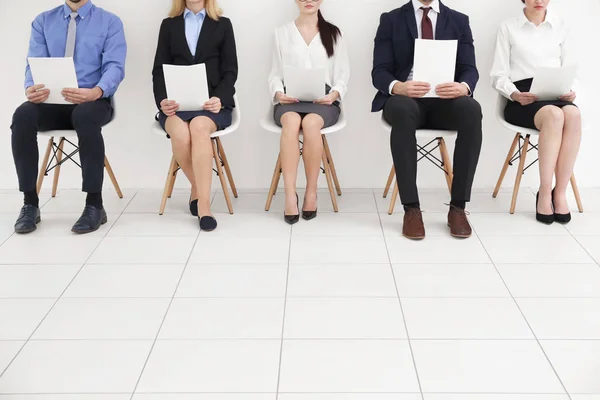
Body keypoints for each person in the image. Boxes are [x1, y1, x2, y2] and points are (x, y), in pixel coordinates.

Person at [11, 0, 126, 234]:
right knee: (22, 115)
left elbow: (115, 66)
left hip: (93, 101)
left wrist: (96, 91)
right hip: (52, 101)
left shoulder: (109, 22)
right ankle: (30, 204)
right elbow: (33, 63)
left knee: (84, 116)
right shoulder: (43, 21)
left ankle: (95, 204)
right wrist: (31, 88)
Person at [371, 0, 482, 240]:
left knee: (472, 109)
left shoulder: (459, 20)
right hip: (406, 100)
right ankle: (411, 209)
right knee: (401, 109)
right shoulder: (390, 19)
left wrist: (463, 87)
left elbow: (469, 68)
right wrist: (398, 86)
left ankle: (458, 208)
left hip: (445, 101)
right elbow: (379, 71)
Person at [491, 0, 581, 224]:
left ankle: (559, 193)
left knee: (573, 115)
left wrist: (571, 90)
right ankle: (543, 190)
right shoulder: (508, 27)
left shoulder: (561, 26)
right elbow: (498, 75)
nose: (539, 1)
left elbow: (572, 69)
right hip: (522, 98)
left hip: (555, 92)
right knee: (554, 115)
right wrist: (513, 93)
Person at [152, 0, 238, 232]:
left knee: (199, 127)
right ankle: (200, 190)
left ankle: (204, 206)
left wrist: (219, 97)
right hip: (176, 106)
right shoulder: (169, 25)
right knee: (180, 133)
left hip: (210, 106)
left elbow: (231, 70)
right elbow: (159, 69)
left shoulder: (222, 24)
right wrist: (162, 101)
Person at [268, 0, 350, 224]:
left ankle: (311, 193)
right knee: (292, 122)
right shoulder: (282, 33)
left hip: (322, 101)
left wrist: (334, 94)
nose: (308, 0)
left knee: (312, 123)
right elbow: (275, 74)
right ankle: (289, 196)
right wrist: (278, 93)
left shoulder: (333, 33)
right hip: (289, 98)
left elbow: (342, 74)